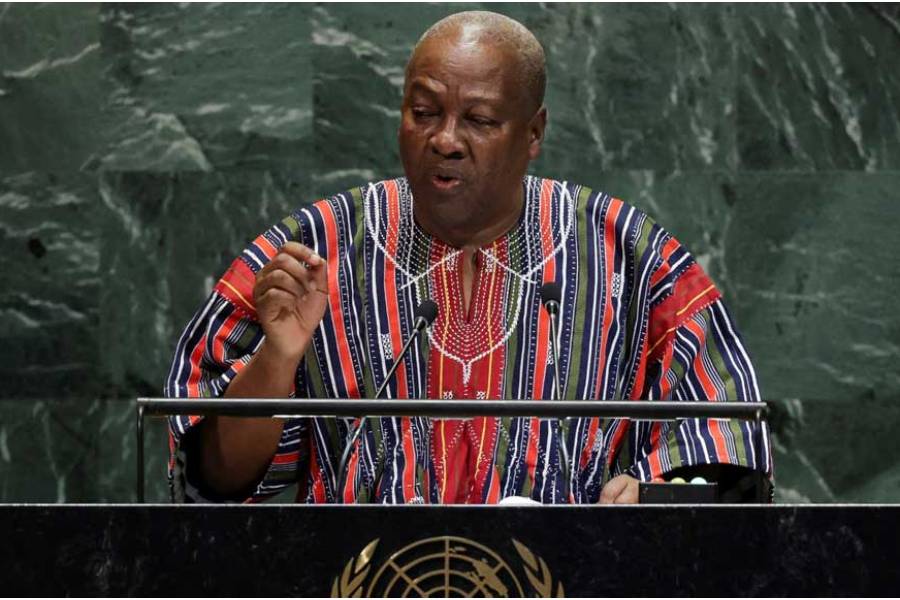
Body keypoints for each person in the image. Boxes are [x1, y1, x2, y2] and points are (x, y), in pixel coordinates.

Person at [165, 11, 772, 504]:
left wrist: (651, 494)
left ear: (533, 135)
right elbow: (214, 478)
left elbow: (728, 455)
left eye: (478, 120)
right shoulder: (313, 249)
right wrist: (277, 358)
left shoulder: (629, 253)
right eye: (423, 112)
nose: (445, 139)